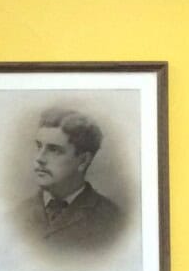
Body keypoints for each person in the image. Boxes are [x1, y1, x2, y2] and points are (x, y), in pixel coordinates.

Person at [11, 107, 122, 250]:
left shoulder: (112, 221)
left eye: (54, 150)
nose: (39, 158)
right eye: (39, 146)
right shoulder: (15, 216)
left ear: (83, 160)